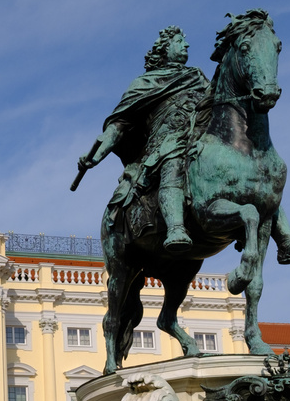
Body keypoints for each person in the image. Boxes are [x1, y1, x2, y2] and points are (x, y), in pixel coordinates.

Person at [76, 27, 209, 250]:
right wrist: (96, 155)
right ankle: (175, 227)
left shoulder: (196, 76)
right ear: (165, 48)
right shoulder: (145, 83)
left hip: (197, 138)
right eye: (179, 42)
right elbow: (120, 125)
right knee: (173, 160)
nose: (185, 46)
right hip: (163, 146)